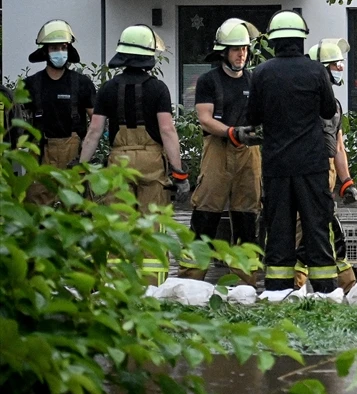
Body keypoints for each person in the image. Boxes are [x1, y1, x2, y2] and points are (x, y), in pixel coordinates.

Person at [79, 25, 188, 285]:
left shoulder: (107, 89)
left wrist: (81, 167)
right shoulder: (158, 89)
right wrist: (179, 172)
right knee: (153, 226)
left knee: (119, 226)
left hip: (119, 163)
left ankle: (117, 287)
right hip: (152, 163)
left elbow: (94, 131)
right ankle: (153, 288)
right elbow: (167, 131)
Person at [247, 10, 339, 296]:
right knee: (316, 228)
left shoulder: (261, 73)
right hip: (312, 164)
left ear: (274, 42)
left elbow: (253, 116)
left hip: (276, 166)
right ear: (301, 40)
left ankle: (277, 291)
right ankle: (325, 290)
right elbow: (328, 111)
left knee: (279, 231)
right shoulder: (316, 71)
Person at [177, 19, 263, 285]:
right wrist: (231, 132)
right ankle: (191, 280)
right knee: (206, 213)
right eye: (236, 49)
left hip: (249, 152)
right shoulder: (209, 81)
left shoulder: (254, 80)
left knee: (247, 216)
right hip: (217, 149)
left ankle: (245, 283)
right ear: (223, 52)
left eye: (245, 49)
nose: (241, 54)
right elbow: (205, 118)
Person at [293, 37, 357, 293]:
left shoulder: (334, 106)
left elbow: (338, 147)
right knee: (305, 233)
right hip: (307, 173)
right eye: (334, 64)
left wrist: (347, 182)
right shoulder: (305, 103)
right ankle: (295, 287)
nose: (340, 69)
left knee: (330, 230)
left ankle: (346, 287)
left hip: (327, 174)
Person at [20, 21, 95, 205]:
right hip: (40, 155)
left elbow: (96, 122)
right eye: (54, 48)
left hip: (73, 156)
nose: (60, 52)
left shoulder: (82, 83)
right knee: (37, 208)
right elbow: (18, 121)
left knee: (75, 208)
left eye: (63, 47)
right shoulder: (31, 84)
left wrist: (87, 154)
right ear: (45, 51)